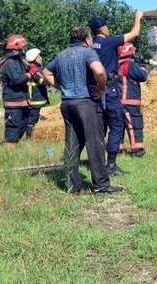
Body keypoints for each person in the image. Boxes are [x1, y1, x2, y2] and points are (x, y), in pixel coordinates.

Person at [42, 26, 121, 193]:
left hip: (67, 103)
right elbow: (99, 71)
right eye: (91, 39)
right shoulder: (88, 52)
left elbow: (46, 72)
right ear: (86, 40)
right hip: (85, 103)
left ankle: (72, 185)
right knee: (95, 143)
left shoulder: (61, 55)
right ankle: (101, 185)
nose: (92, 41)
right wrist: (101, 88)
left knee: (72, 144)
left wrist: (63, 87)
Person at [89, 11, 143, 176]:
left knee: (99, 128)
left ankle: (96, 162)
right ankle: (111, 165)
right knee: (117, 125)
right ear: (103, 29)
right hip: (108, 89)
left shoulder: (89, 44)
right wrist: (137, 18)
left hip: (93, 91)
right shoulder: (110, 42)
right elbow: (135, 33)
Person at [117, 42, 149, 157]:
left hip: (117, 102)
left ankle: (118, 149)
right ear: (131, 53)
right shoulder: (130, 65)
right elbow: (143, 76)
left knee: (118, 126)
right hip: (130, 102)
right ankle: (137, 149)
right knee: (134, 124)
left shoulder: (116, 65)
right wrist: (142, 64)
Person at [1, 34, 31, 148]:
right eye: (23, 46)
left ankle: (14, 146)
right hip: (13, 102)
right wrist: (29, 75)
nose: (24, 49)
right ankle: (9, 153)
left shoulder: (19, 61)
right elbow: (17, 79)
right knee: (13, 127)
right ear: (17, 47)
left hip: (22, 101)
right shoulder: (9, 63)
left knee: (23, 125)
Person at [24, 48, 49, 139]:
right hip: (36, 101)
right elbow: (45, 82)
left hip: (33, 101)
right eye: (39, 57)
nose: (41, 58)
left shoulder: (28, 70)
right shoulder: (36, 71)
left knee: (32, 120)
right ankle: (29, 138)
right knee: (33, 121)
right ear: (33, 59)